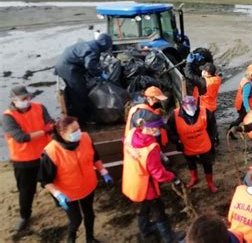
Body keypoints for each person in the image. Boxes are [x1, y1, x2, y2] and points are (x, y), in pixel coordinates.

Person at [38, 116, 113, 243]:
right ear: (62, 134)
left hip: (88, 186)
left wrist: (103, 171)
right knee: (75, 220)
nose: (78, 132)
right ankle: (71, 239)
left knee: (89, 214)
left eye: (78, 128)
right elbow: (45, 180)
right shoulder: (51, 151)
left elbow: (94, 156)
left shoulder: (85, 138)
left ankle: (90, 238)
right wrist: (58, 194)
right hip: (68, 193)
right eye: (73, 131)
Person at [122, 113, 182, 242]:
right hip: (146, 185)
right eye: (159, 128)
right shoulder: (151, 147)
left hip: (132, 179)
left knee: (143, 207)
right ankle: (169, 238)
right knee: (158, 209)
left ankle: (145, 229)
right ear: (152, 128)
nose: (160, 130)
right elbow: (158, 174)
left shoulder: (132, 134)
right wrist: (172, 177)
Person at [2, 86, 54, 231]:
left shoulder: (40, 107)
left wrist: (48, 128)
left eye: (29, 97)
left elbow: (50, 123)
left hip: (45, 155)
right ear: (14, 100)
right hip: (23, 161)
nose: (28, 101)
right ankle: (25, 216)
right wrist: (44, 131)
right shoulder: (8, 117)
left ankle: (59, 202)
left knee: (54, 180)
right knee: (26, 190)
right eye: (24, 99)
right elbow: (21, 138)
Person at [54, 33, 112, 124]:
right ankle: (84, 119)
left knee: (74, 92)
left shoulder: (91, 44)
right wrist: (100, 74)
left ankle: (75, 114)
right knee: (79, 93)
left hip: (64, 65)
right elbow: (89, 65)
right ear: (105, 45)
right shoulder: (94, 49)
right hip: (69, 69)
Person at [167, 96, 218, 193]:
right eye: (187, 106)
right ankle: (194, 178)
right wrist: (176, 140)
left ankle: (210, 183)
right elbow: (170, 131)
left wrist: (214, 137)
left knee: (207, 164)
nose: (190, 108)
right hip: (187, 145)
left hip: (203, 144)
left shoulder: (204, 111)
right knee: (191, 163)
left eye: (192, 105)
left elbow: (213, 125)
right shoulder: (174, 115)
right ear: (183, 106)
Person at [228, 64, 252, 138]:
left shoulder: (250, 80)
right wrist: (248, 109)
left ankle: (233, 129)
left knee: (242, 118)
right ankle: (231, 130)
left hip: (244, 103)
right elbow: (245, 97)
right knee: (242, 118)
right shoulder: (247, 85)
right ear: (251, 73)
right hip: (243, 105)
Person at [199, 62, 222, 145]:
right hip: (212, 105)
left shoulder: (206, 82)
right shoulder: (217, 79)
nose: (202, 72)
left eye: (204, 71)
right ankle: (216, 138)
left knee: (208, 125)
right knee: (213, 123)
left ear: (207, 74)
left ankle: (211, 141)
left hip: (206, 107)